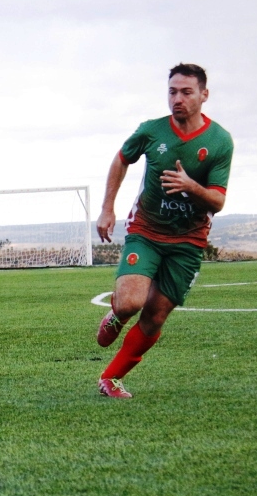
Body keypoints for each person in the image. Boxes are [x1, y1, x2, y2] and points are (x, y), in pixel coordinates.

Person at [95, 63, 233, 399]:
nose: (177, 99)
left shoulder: (219, 141)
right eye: (172, 92)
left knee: (155, 316)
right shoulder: (151, 131)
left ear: (204, 95)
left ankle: (111, 378)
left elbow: (217, 201)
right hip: (146, 230)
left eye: (186, 92)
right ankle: (117, 313)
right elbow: (121, 159)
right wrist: (107, 207)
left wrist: (190, 186)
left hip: (189, 241)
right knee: (130, 302)